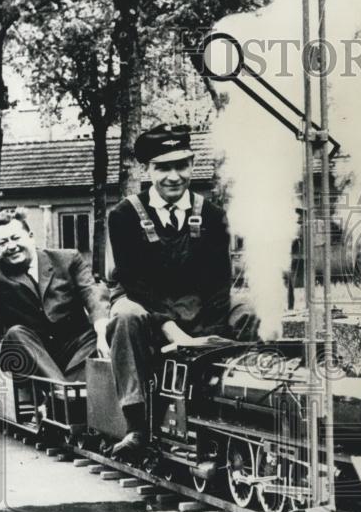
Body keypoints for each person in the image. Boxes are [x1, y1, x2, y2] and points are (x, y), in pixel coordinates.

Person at [107, 123, 258, 454]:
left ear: (192, 165)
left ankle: (236, 405)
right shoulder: (124, 215)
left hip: (197, 304)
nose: (173, 176)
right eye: (163, 168)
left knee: (250, 312)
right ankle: (137, 426)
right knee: (124, 318)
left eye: (181, 166)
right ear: (147, 170)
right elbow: (136, 283)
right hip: (142, 303)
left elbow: (219, 284)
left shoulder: (213, 216)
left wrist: (211, 338)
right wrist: (176, 334)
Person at [0, 208, 109, 382]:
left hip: (75, 349)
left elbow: (91, 294)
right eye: (3, 243)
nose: (11, 246)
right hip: (32, 354)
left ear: (31, 236)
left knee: (105, 331)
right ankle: (62, 390)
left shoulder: (67, 259)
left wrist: (102, 331)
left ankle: (67, 392)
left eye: (15, 238)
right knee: (15, 333)